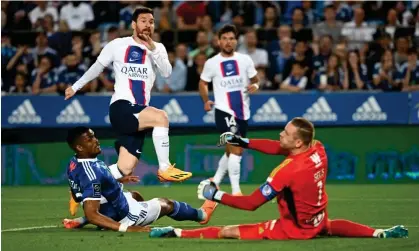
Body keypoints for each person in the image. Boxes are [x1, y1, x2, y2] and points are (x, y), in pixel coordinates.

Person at [150, 117, 408, 240]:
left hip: (294, 229)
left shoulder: (287, 171)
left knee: (230, 232)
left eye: (285, 133)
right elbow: (277, 147)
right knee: (328, 225)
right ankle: (379, 233)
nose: (280, 135)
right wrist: (244, 141)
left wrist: (215, 194)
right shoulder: (318, 148)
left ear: (297, 141)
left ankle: (176, 231)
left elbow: (251, 204)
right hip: (317, 218)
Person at [64, 7, 192, 215]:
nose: (147, 25)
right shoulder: (118, 45)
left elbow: (167, 73)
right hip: (122, 107)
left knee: (124, 168)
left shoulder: (157, 47)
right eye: (143, 21)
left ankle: (77, 191)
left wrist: (152, 47)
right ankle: (165, 167)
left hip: (138, 113)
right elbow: (97, 67)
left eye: (151, 21)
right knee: (161, 117)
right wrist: (76, 86)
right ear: (134, 24)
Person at [64, 126, 215, 232]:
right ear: (80, 147)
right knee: (167, 204)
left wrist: (117, 180)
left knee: (135, 194)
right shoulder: (91, 173)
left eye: (94, 136)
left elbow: (85, 187)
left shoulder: (74, 162)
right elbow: (92, 212)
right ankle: (202, 215)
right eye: (90, 139)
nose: (96, 140)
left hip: (111, 204)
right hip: (125, 216)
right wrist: (127, 228)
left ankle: (83, 220)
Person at [199, 24, 259, 196]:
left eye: (231, 38)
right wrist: (205, 100)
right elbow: (203, 82)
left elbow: (256, 79)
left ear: (236, 41)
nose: (228, 41)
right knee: (236, 147)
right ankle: (236, 190)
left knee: (233, 150)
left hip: (242, 111)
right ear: (218, 42)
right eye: (224, 38)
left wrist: (255, 85)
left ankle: (215, 181)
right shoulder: (212, 63)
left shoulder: (245, 60)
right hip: (224, 110)